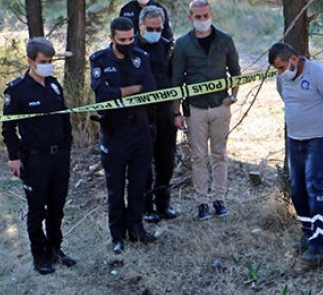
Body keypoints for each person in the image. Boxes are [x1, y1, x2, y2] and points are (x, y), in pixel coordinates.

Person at [2, 37, 76, 275]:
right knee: (37, 210)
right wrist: (14, 157)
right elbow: (8, 128)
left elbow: (64, 118)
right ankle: (39, 254)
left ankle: (55, 248)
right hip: (35, 159)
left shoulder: (54, 85)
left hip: (59, 157)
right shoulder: (17, 90)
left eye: (51, 60)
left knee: (57, 206)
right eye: (43, 61)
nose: (48, 65)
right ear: (30, 61)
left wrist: (67, 146)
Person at [90, 17, 158, 254]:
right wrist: (132, 90)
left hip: (140, 131)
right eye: (122, 40)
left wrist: (120, 92)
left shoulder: (141, 57)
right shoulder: (99, 60)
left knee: (139, 186)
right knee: (115, 189)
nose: (128, 43)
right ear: (111, 38)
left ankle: (136, 229)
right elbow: (103, 95)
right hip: (114, 132)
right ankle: (117, 235)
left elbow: (150, 89)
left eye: (131, 38)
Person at [171, 0, 241, 220]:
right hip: (195, 109)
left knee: (219, 155)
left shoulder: (225, 39)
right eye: (197, 17)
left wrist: (233, 96)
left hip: (221, 106)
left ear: (211, 14)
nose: (202, 20)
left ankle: (219, 199)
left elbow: (236, 71)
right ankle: (202, 202)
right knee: (199, 157)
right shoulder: (182, 44)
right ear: (190, 18)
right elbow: (176, 80)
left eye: (205, 15)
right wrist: (176, 112)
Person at [268, 42, 323, 266]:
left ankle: (319, 243)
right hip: (294, 140)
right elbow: (286, 98)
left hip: (317, 139)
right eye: (276, 69)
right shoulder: (283, 79)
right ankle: (307, 232)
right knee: (297, 189)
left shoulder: (318, 74)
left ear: (294, 60)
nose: (280, 73)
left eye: (281, 67)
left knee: (314, 186)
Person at [137, 6, 179, 223]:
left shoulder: (168, 47)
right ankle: (146, 206)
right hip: (140, 115)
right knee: (144, 161)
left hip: (165, 114)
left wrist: (177, 112)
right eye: (150, 28)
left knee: (166, 160)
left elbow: (177, 82)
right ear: (141, 26)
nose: (155, 31)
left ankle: (164, 203)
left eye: (159, 28)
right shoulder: (130, 47)